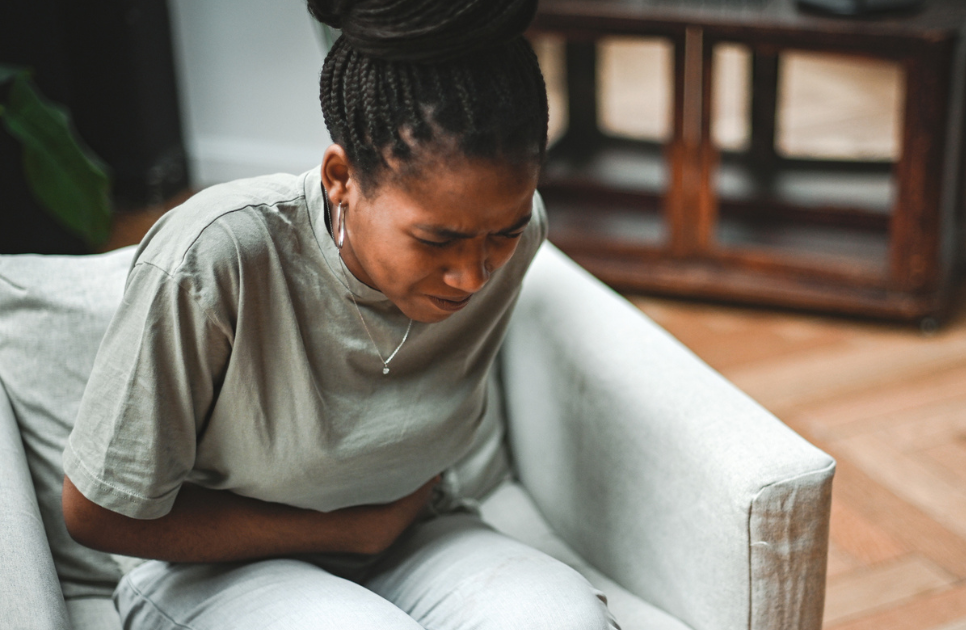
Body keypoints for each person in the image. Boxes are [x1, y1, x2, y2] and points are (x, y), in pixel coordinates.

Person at [59, 1, 619, 628]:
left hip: (412, 531)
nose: (472, 275)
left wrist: (378, 530)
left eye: (502, 234)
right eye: (436, 240)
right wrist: (350, 530)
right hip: (214, 565)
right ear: (339, 177)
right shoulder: (214, 257)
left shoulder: (523, 231)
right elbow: (96, 514)